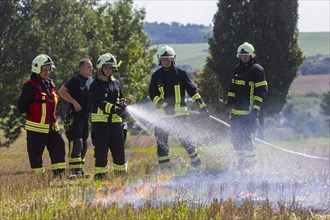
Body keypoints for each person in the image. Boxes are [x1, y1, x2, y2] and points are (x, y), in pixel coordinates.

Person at [148, 45, 209, 168]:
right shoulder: (156, 76)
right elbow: (153, 94)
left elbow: (192, 91)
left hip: (179, 115)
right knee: (162, 144)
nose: (166, 61)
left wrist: (202, 107)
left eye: (168, 59)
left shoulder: (181, 74)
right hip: (162, 116)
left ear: (173, 59)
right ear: (160, 60)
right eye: (164, 59)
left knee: (186, 140)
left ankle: (197, 163)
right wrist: (165, 106)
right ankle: (165, 169)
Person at [17, 54, 66, 177]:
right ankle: (39, 180)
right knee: (36, 156)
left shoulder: (50, 84)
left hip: (52, 127)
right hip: (36, 129)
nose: (47, 72)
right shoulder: (30, 85)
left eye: (49, 69)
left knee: (59, 148)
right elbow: (21, 107)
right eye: (45, 69)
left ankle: (59, 176)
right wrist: (33, 117)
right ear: (37, 69)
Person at [225, 42, 268, 169]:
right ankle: (242, 162)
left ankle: (249, 165)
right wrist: (228, 103)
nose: (244, 57)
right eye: (242, 55)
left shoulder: (257, 70)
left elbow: (262, 91)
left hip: (249, 112)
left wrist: (255, 109)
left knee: (247, 138)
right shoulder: (237, 69)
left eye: (246, 55)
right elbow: (233, 89)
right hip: (237, 112)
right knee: (235, 138)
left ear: (252, 55)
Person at [90, 53, 128, 180]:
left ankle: (120, 175)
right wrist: (115, 109)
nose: (109, 70)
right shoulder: (95, 84)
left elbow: (120, 97)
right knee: (101, 152)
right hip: (101, 124)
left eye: (111, 68)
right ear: (100, 68)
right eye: (106, 68)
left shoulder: (116, 83)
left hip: (116, 123)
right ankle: (100, 176)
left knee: (119, 150)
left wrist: (124, 104)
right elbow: (100, 102)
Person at [58, 59, 94, 177]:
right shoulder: (75, 80)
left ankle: (80, 169)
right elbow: (62, 92)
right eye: (89, 67)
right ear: (81, 68)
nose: (91, 69)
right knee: (76, 141)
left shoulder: (91, 80)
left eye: (92, 67)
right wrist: (74, 102)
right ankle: (74, 170)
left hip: (86, 116)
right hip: (75, 116)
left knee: (84, 142)